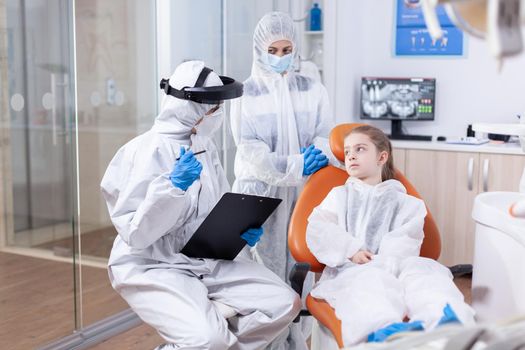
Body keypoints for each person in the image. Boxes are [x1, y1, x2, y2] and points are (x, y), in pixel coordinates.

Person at [101, 60, 301, 350]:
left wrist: (237, 231)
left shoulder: (204, 146)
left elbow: (215, 208)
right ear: (189, 107)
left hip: (204, 258)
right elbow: (137, 235)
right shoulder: (142, 152)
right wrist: (172, 189)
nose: (217, 113)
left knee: (285, 304)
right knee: (210, 340)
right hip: (154, 264)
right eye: (213, 107)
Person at [306, 125, 475, 346]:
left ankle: (448, 325)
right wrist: (351, 249)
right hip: (353, 270)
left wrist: (388, 263)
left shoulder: (407, 203)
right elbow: (319, 228)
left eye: (360, 149)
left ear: (382, 156)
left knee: (427, 275)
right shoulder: (338, 196)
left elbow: (406, 241)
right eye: (347, 151)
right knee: (372, 282)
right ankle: (386, 333)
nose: (351, 156)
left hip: (396, 264)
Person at [230, 11, 337, 349]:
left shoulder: (312, 88)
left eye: (286, 49)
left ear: (296, 47)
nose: (279, 57)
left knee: (299, 276)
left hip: (303, 196)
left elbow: (325, 135)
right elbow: (251, 152)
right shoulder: (245, 94)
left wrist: (315, 156)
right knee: (263, 277)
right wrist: (294, 163)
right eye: (272, 50)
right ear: (258, 50)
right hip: (261, 196)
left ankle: (294, 344)